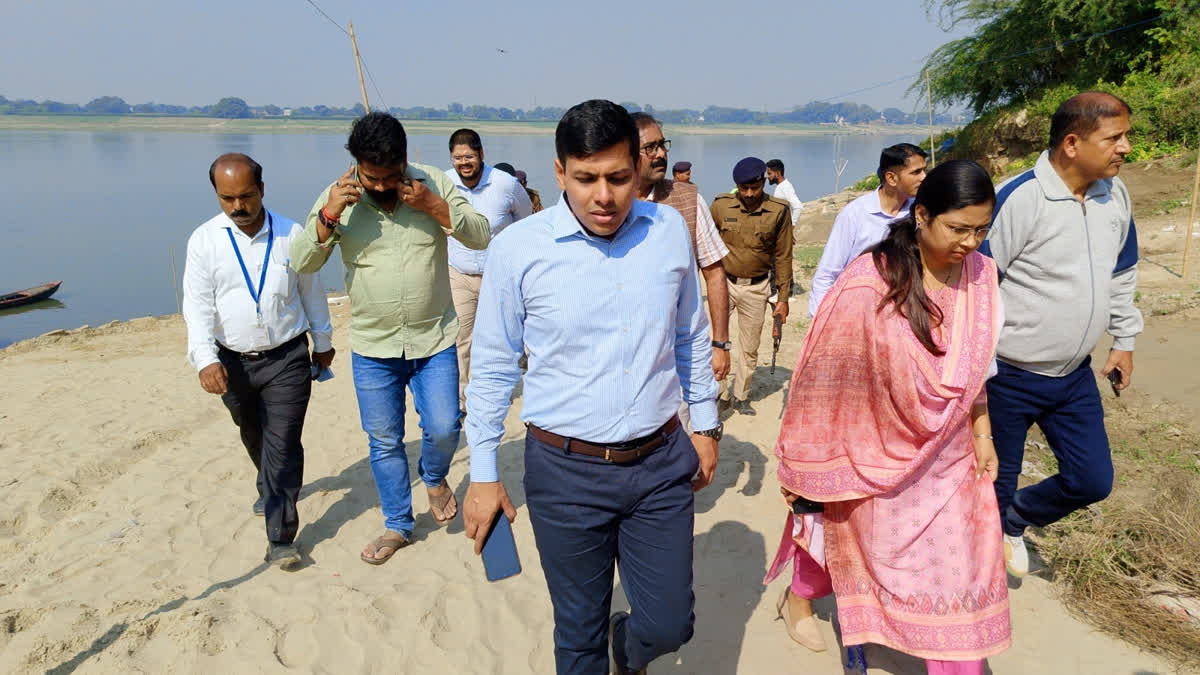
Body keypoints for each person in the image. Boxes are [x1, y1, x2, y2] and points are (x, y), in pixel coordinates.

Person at [462, 99, 722, 675]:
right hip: (564, 472)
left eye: (617, 177)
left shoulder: (668, 231)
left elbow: (690, 336)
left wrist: (704, 425)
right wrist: (483, 471)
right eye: (586, 179)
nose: (603, 196)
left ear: (639, 168)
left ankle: (627, 648)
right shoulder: (517, 251)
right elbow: (494, 368)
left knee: (669, 622)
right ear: (560, 173)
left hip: (659, 463)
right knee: (577, 633)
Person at [766, 160, 1011, 674]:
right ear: (922, 215)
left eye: (982, 229)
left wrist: (983, 431)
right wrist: (807, 463)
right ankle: (802, 596)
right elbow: (824, 377)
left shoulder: (983, 278)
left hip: (949, 458)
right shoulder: (867, 282)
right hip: (875, 453)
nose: (971, 242)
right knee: (849, 545)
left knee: (956, 576)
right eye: (959, 229)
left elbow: (976, 368)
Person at [289, 112, 490, 565]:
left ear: (405, 160)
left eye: (390, 175)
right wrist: (329, 215)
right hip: (374, 347)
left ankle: (434, 477)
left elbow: (480, 236)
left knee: (444, 426)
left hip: (434, 337)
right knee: (384, 441)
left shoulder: (433, 181)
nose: (380, 186)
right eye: (371, 176)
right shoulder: (337, 197)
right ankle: (398, 524)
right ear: (356, 164)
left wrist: (434, 207)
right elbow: (303, 263)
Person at [981, 91, 1142, 578]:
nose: (1126, 148)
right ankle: (975, 594)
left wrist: (1123, 341)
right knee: (992, 484)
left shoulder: (1115, 195)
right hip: (1007, 376)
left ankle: (1017, 519)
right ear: (1072, 143)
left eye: (1125, 136)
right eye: (1114, 138)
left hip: (1073, 378)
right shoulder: (1020, 197)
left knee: (1092, 480)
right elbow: (977, 286)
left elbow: (1122, 272)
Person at [183, 153, 335, 569]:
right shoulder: (204, 241)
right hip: (232, 362)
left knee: (282, 445)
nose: (238, 206)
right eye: (227, 198)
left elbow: (311, 292)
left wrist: (323, 341)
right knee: (254, 434)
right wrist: (204, 359)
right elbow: (195, 307)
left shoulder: (292, 234)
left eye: (246, 196)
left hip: (287, 356)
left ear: (262, 190)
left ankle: (281, 538)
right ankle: (269, 483)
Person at [631, 112, 731, 417]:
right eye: (651, 148)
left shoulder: (687, 199)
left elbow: (714, 273)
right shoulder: (607, 203)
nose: (661, 154)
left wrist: (720, 344)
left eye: (663, 145)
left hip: (682, 352)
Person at [445, 128, 534, 409]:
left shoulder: (505, 184)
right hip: (458, 273)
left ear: (481, 154)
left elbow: (525, 219)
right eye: (458, 157)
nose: (464, 163)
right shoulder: (444, 184)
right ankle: (464, 398)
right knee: (462, 338)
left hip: (498, 276)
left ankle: (499, 388)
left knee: (499, 336)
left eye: (469, 156)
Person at [710, 157, 793, 416]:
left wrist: (783, 297)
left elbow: (783, 255)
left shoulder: (779, 210)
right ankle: (720, 394)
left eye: (753, 188)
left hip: (757, 288)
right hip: (724, 285)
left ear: (762, 182)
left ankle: (741, 396)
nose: (748, 194)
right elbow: (705, 243)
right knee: (717, 341)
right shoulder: (721, 206)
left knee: (749, 346)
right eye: (743, 188)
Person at [808, 142, 927, 317]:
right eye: (916, 172)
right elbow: (827, 274)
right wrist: (820, 319)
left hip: (904, 314)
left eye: (924, 170)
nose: (924, 177)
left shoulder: (919, 213)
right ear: (891, 178)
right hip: (858, 311)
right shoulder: (855, 214)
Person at [766, 159, 803, 226]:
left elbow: (798, 207)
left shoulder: (786, 187)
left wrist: (792, 226)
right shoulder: (780, 186)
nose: (767, 177)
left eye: (769, 173)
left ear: (777, 173)